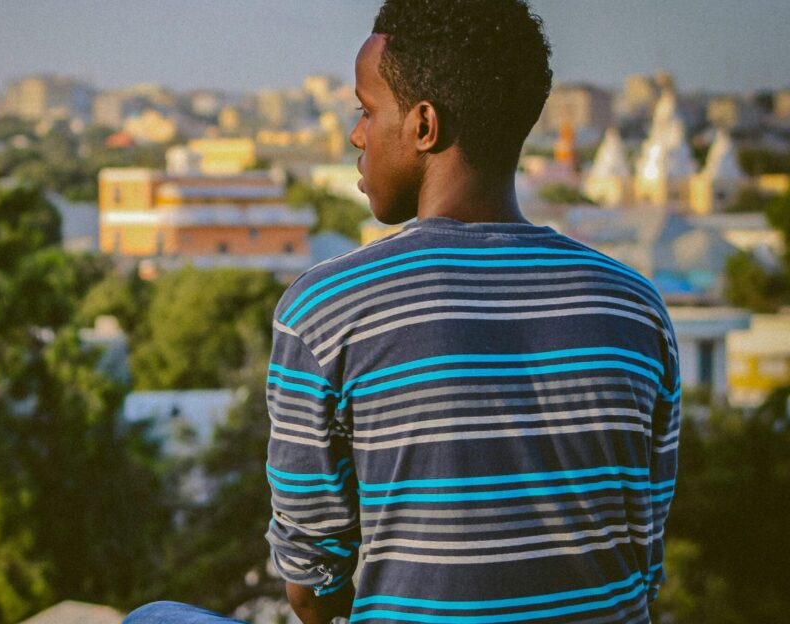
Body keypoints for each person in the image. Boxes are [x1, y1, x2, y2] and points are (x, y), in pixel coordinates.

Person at [126, 1, 679, 623]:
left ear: (423, 126)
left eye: (366, 110)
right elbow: (644, 561)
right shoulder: (634, 306)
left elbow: (311, 587)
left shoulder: (328, 308)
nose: (356, 135)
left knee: (154, 618)